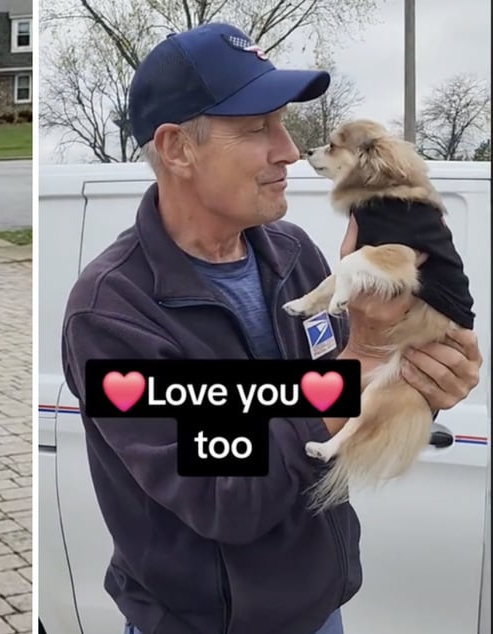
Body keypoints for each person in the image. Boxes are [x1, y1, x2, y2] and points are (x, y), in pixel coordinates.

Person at [60, 23, 483, 634]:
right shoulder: (112, 315)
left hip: (320, 611)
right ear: (177, 148)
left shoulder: (293, 256)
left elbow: (339, 416)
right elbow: (226, 494)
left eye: (282, 123)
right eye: (258, 128)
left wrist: (418, 377)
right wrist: (360, 361)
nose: (287, 149)